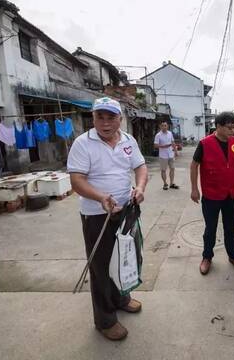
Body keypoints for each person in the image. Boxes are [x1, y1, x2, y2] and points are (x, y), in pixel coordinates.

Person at [67, 97, 148, 341]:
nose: (105, 122)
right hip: (97, 215)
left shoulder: (128, 140)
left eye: (110, 117)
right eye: (99, 117)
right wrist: (101, 197)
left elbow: (141, 167)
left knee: (123, 259)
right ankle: (104, 320)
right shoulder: (83, 144)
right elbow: (77, 181)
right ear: (92, 119)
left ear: (119, 119)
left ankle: (121, 298)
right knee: (100, 267)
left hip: (125, 211)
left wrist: (140, 188)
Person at [190, 112, 234, 275]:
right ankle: (207, 257)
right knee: (210, 229)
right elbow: (194, 165)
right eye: (229, 127)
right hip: (211, 195)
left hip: (230, 195)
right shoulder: (205, 143)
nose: (232, 130)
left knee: (230, 228)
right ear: (219, 127)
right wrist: (194, 189)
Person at [154, 121, 178, 190]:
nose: (164, 127)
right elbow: (155, 145)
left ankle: (171, 183)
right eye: (162, 126)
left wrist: (176, 151)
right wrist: (164, 146)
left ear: (167, 126)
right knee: (163, 170)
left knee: (172, 168)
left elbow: (173, 142)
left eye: (165, 125)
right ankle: (165, 184)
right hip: (163, 155)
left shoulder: (170, 133)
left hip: (170, 154)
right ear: (160, 126)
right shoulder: (158, 135)